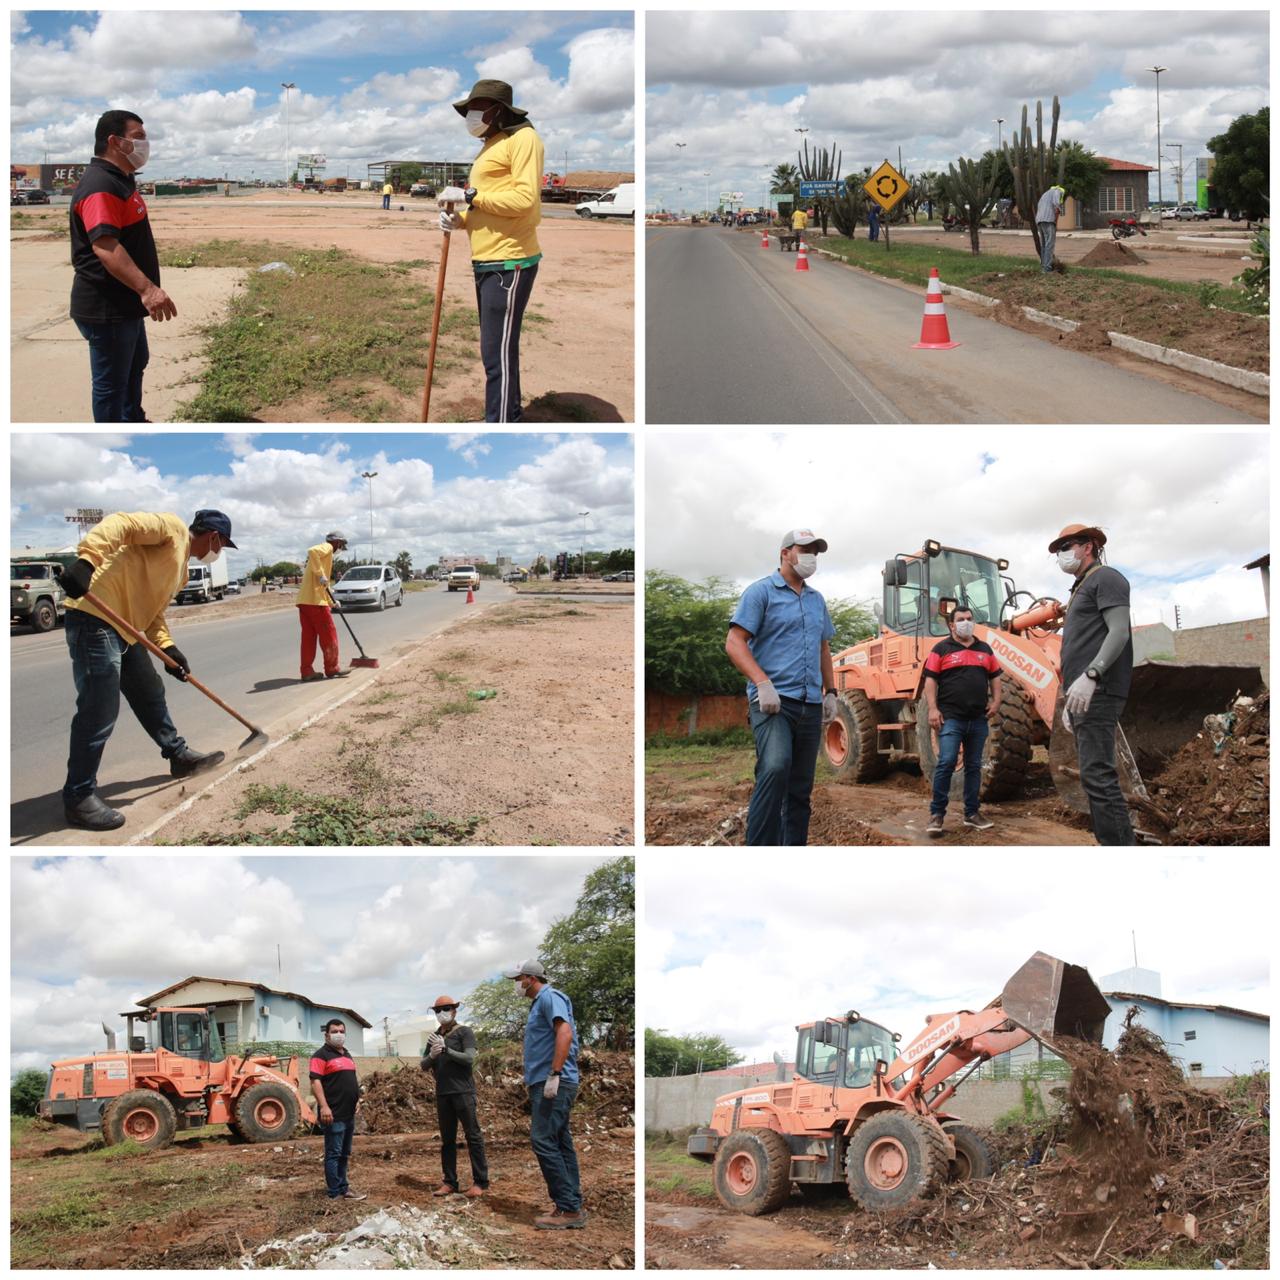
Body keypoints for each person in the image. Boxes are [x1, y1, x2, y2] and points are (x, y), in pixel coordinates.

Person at [56, 510, 233, 831]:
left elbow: (153, 615)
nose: (217, 553)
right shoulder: (172, 528)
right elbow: (121, 523)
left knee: (150, 693)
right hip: (95, 617)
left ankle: (178, 757)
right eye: (221, 546)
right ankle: (78, 797)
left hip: (127, 629)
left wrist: (167, 650)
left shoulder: (180, 572)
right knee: (99, 709)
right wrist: (86, 562)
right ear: (214, 537)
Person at [436, 79, 545, 423]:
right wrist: (462, 221)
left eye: (478, 108)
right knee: (497, 352)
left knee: (495, 355)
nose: (471, 115)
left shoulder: (523, 139)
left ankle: (499, 424)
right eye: (469, 109)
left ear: (498, 110)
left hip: (509, 260)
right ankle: (507, 416)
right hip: (486, 260)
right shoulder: (491, 144)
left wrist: (469, 197)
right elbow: (490, 203)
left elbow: (524, 201)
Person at [725, 530, 838, 846]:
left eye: (815, 551)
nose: (811, 557)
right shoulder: (760, 593)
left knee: (801, 787)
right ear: (785, 553)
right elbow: (735, 643)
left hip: (810, 705)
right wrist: (762, 682)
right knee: (775, 769)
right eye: (805, 550)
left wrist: (831, 693)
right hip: (774, 703)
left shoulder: (817, 600)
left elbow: (823, 648)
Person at [68, 110, 176, 423]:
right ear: (116, 142)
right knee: (110, 385)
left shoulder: (121, 180)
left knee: (135, 364)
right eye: (139, 137)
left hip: (123, 303)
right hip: (107, 306)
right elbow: (105, 246)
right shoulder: (102, 185)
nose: (146, 144)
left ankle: (134, 420)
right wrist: (148, 289)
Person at [1051, 522, 1135, 845]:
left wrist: (1092, 675)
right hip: (1084, 696)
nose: (1062, 554)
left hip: (1098, 690)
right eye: (1059, 550)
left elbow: (1119, 632)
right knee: (1093, 776)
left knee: (1099, 777)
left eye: (1067, 546)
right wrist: (1068, 703)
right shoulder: (1080, 589)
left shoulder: (1106, 578)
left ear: (1088, 547)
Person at [504, 959, 585, 1229]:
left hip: (554, 1081)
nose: (516, 985)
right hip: (549, 1080)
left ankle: (568, 1209)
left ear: (530, 978)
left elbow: (564, 1031)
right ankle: (572, 1203)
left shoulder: (550, 997)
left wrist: (555, 1073)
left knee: (543, 1140)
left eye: (518, 979)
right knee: (560, 1141)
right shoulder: (540, 1003)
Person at [923, 605, 1003, 837]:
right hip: (951, 719)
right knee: (947, 762)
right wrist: (932, 709)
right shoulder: (941, 649)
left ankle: (972, 813)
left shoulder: (985, 649)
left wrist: (996, 702)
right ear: (951, 625)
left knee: (973, 766)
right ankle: (937, 814)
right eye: (961, 619)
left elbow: (995, 678)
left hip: (978, 719)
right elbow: (930, 681)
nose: (966, 622)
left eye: (969, 618)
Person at [421, 995, 489, 1200]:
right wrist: (432, 1055)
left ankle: (480, 1182)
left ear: (454, 1011)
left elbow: (469, 1058)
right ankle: (450, 1181)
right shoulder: (433, 1037)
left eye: (446, 1009)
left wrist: (446, 1050)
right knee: (447, 1140)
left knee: (473, 1136)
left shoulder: (464, 1032)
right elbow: (423, 1065)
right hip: (443, 1093)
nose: (442, 1013)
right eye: (438, 1010)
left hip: (463, 1092)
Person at [310, 1019, 367, 1202]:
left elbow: (350, 1079)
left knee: (344, 1153)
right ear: (327, 1035)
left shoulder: (347, 1055)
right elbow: (315, 1081)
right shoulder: (321, 1055)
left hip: (349, 1113)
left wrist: (357, 1098)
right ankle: (334, 1192)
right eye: (335, 1031)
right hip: (333, 1114)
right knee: (333, 1153)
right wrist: (324, 1106)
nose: (339, 1034)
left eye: (342, 1031)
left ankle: (344, 1188)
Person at [296, 531, 349, 681]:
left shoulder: (321, 559)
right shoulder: (327, 547)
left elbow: (322, 585)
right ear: (337, 542)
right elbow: (312, 551)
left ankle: (307, 671)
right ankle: (332, 668)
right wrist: (321, 575)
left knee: (308, 638)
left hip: (305, 601)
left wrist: (332, 602)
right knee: (329, 635)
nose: (340, 548)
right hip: (315, 603)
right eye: (341, 545)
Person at [1035, 183, 1065, 273]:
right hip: (1048, 220)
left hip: (1040, 221)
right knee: (1049, 245)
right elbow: (1056, 204)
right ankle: (1047, 268)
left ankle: (1043, 267)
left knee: (1044, 245)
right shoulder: (1057, 191)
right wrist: (1060, 211)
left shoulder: (1045, 195)